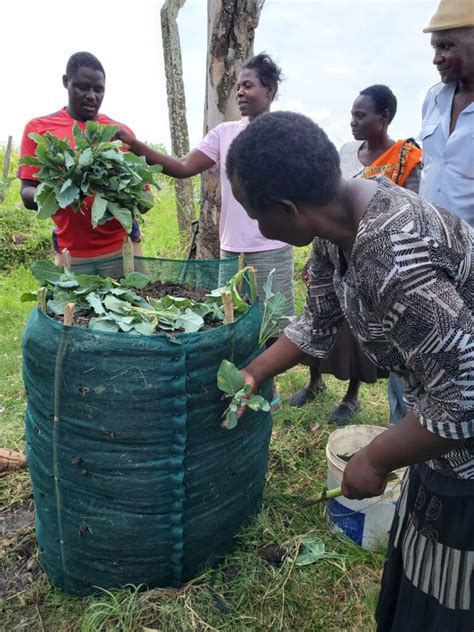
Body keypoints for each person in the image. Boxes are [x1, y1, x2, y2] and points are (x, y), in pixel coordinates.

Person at [226, 110, 473, 632]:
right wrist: (253, 373)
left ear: (288, 210)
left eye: (255, 213)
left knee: (454, 586)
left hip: (462, 437)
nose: (254, 226)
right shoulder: (334, 224)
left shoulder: (396, 258)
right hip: (439, 423)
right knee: (421, 561)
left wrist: (375, 456)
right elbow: (316, 321)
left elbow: (466, 396)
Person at [114, 52, 295, 343]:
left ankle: (267, 389)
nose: (239, 91)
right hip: (231, 252)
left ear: (269, 90)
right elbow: (184, 167)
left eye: (248, 85)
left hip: (270, 249)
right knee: (232, 324)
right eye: (238, 86)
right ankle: (245, 385)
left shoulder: (287, 134)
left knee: (273, 328)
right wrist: (137, 147)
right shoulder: (224, 133)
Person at [290, 85, 422, 428]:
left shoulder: (405, 160)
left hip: (373, 261)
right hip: (330, 252)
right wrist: (317, 256)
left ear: (384, 117)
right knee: (319, 314)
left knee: (358, 329)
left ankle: (351, 397)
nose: (352, 122)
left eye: (360, 115)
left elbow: (407, 215)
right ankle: (314, 381)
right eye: (351, 114)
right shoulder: (347, 151)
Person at [18, 51, 145, 278]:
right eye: (83, 87)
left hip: (122, 249)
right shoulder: (39, 129)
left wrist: (118, 194)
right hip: (70, 254)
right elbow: (27, 194)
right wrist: (64, 189)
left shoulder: (120, 133)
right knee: (70, 312)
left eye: (98, 90)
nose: (91, 96)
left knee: (135, 308)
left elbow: (143, 199)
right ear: (66, 82)